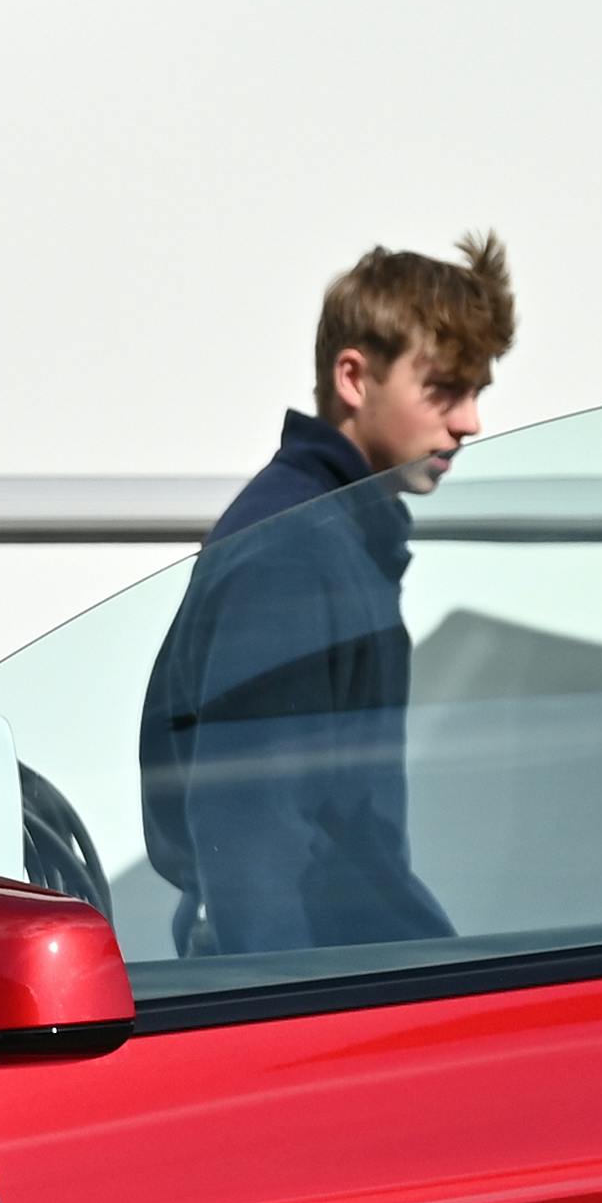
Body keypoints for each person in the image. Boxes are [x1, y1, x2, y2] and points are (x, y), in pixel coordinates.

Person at [136, 232, 508, 956]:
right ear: (353, 377)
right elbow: (253, 834)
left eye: (476, 393)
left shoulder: (337, 534)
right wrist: (279, 1020)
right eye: (444, 389)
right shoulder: (293, 551)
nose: (469, 421)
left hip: (346, 971)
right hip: (307, 994)